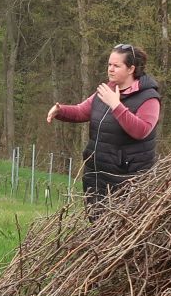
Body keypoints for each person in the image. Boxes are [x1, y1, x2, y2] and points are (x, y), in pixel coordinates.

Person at [46, 43, 162, 211]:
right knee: (97, 226)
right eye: (109, 64)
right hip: (96, 175)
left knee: (121, 232)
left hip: (127, 179)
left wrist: (117, 106)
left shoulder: (149, 98)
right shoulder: (106, 90)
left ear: (131, 69)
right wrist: (60, 110)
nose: (110, 69)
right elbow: (81, 111)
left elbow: (141, 130)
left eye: (116, 65)